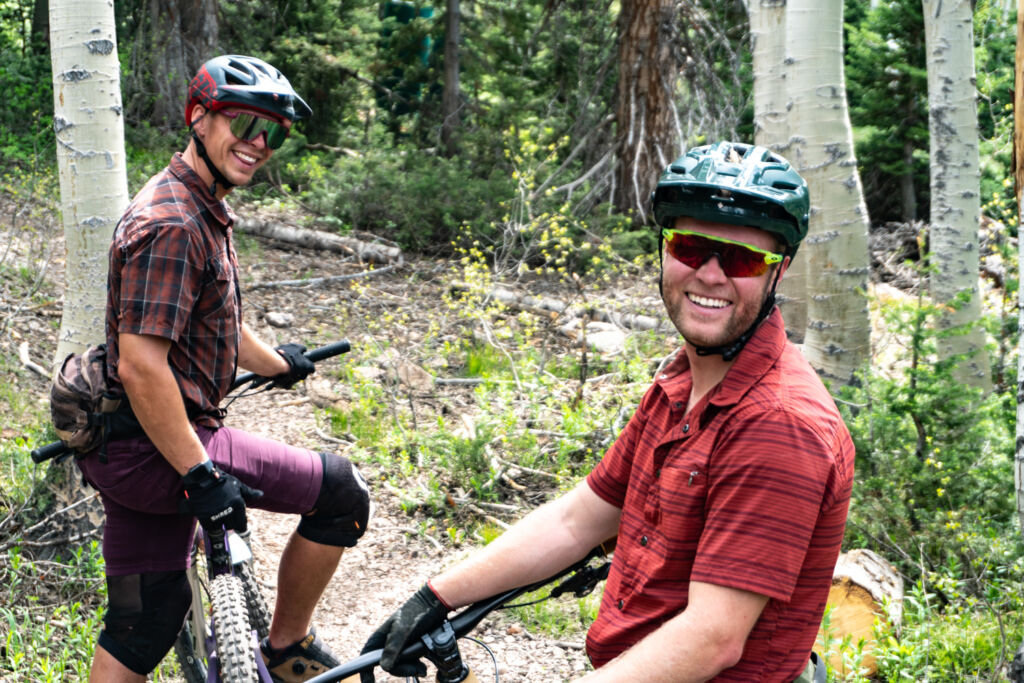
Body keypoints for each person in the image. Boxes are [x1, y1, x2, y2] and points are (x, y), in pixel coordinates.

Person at [361, 141, 854, 683]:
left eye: (740, 258)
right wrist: (435, 596)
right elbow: (579, 519)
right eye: (691, 247)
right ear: (666, 250)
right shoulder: (681, 382)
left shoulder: (778, 424)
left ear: (777, 271)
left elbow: (712, 639)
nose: (711, 275)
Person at [75, 55, 372, 683]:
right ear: (199, 117)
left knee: (144, 618)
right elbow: (141, 366)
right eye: (244, 120)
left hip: (122, 441)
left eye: (275, 132)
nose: (259, 143)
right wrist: (200, 473)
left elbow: (209, 321)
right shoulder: (176, 224)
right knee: (341, 493)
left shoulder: (194, 200)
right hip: (158, 444)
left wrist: (278, 364)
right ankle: (287, 646)